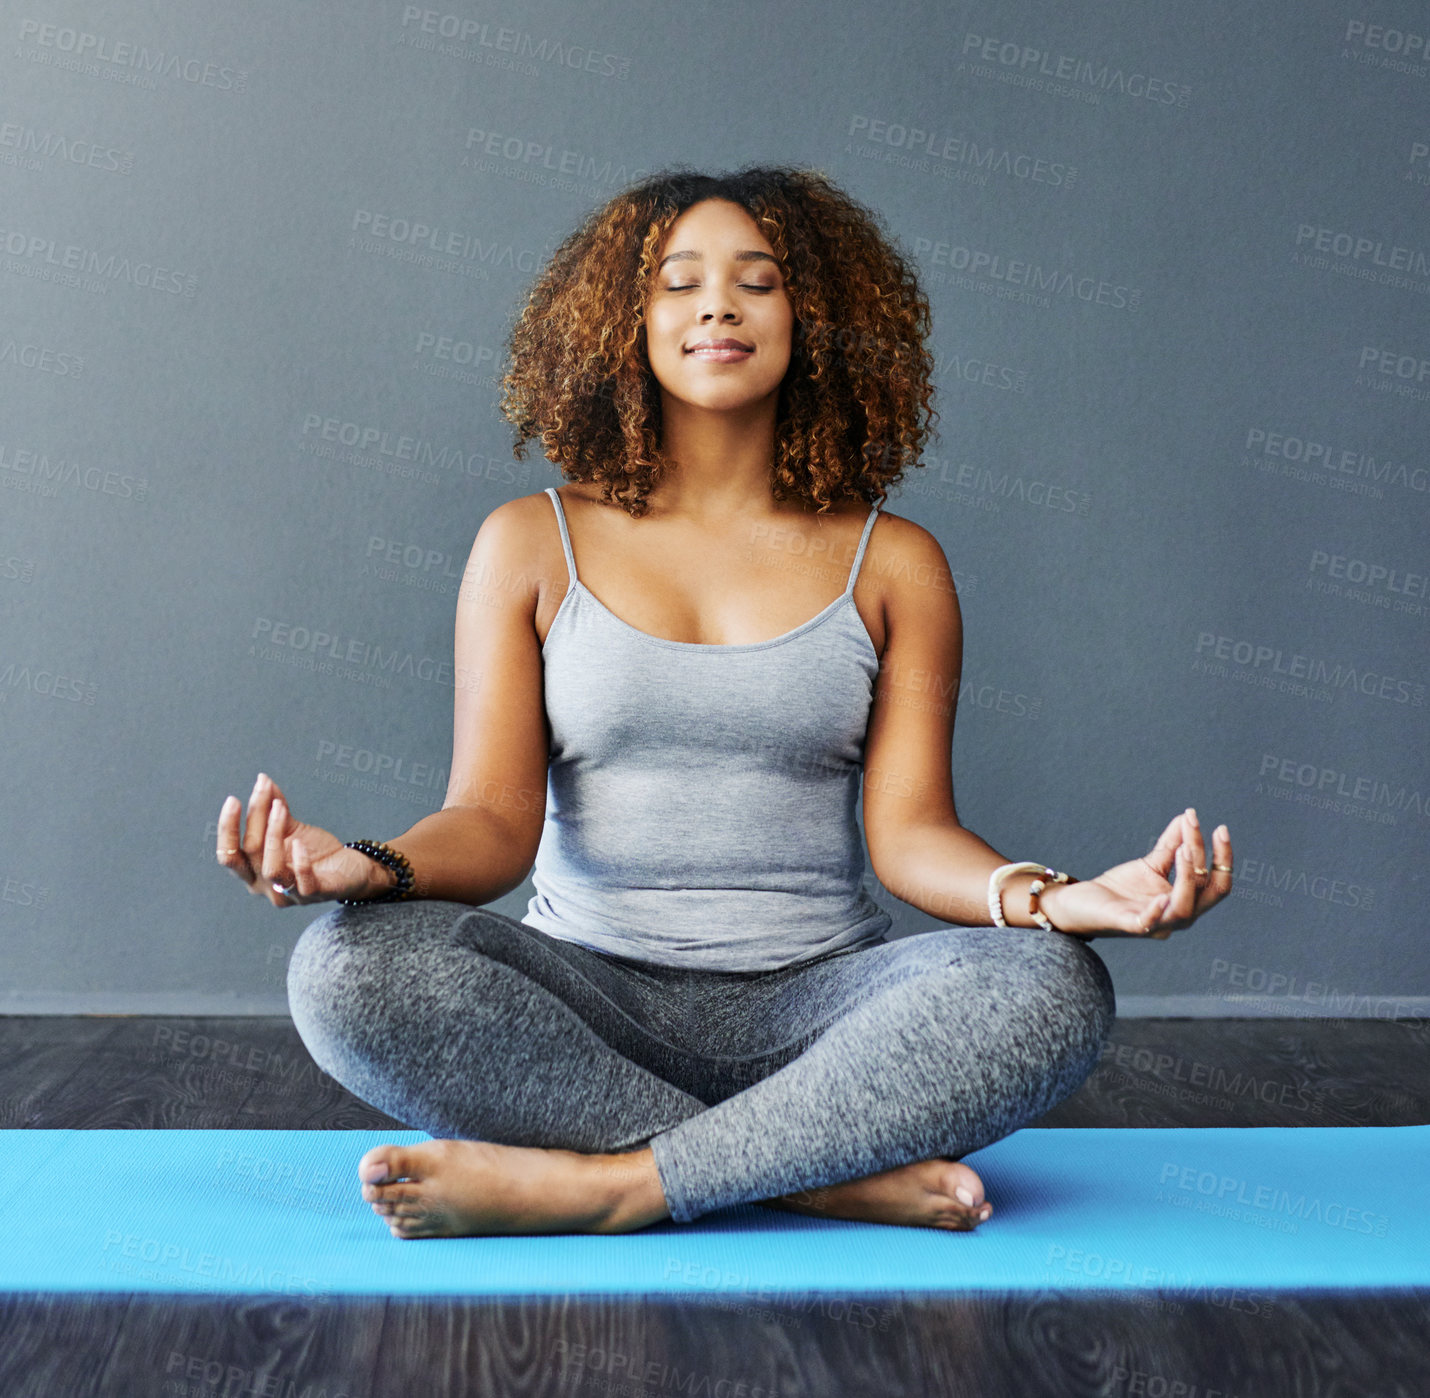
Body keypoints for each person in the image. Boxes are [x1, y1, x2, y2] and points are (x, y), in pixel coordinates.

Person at [217, 166, 1234, 1241]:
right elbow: (492, 823)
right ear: (621, 323)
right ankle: (816, 1173)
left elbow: (912, 836)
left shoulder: (894, 562)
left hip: (820, 1007)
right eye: (676, 283)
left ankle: (613, 1187)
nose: (716, 306)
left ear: (818, 322)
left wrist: (1053, 900)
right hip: (584, 1001)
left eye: (757, 282)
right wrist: (370, 871)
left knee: (1053, 990)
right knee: (346, 968)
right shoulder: (527, 542)